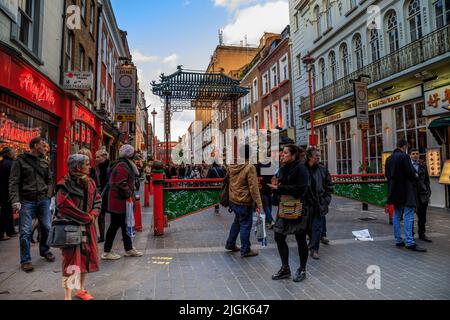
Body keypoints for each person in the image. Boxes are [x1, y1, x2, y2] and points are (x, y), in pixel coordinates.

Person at [56, 154, 101, 300]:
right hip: (72, 228)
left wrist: (93, 213)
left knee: (85, 258)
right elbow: (64, 207)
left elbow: (97, 200)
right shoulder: (64, 185)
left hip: (88, 228)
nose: (89, 166)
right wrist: (87, 217)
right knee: (70, 262)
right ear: (77, 167)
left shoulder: (90, 182)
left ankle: (81, 289)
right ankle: (67, 295)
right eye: (87, 164)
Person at [9, 137, 55, 272]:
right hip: (26, 200)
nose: (45, 147)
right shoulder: (20, 161)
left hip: (43, 199)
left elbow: (50, 180)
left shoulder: (45, 162)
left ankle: (45, 250)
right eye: (42, 144)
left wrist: (48, 194)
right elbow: (14, 181)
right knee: (25, 231)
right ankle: (26, 260)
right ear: (35, 146)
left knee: (46, 227)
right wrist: (15, 200)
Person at [268, 145, 310, 282]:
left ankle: (302, 269)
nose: (282, 154)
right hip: (284, 205)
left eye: (285, 153)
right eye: (282, 152)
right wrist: (276, 185)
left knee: (300, 238)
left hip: (298, 207)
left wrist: (279, 187)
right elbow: (279, 185)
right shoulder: (282, 168)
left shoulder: (301, 168)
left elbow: (300, 189)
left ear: (293, 155)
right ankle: (285, 268)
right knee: (278, 236)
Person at [102, 144, 143, 260]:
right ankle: (107, 251)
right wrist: (129, 193)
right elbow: (121, 183)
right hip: (119, 201)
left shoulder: (124, 164)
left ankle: (128, 248)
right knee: (115, 226)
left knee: (124, 225)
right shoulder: (123, 166)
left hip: (119, 200)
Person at [385, 140, 426, 252]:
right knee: (409, 214)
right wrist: (416, 175)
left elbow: (387, 175)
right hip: (407, 190)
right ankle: (409, 242)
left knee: (397, 215)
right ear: (405, 147)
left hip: (394, 191)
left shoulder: (389, 159)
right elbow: (410, 173)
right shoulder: (404, 157)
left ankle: (398, 240)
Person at [225, 144, 263, 258]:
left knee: (237, 222)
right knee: (245, 225)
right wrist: (259, 202)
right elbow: (253, 187)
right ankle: (245, 249)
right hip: (244, 201)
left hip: (234, 199)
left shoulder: (232, 165)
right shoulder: (249, 167)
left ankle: (230, 243)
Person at [305, 147, 333, 260]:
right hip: (306, 204)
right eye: (316, 156)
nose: (318, 158)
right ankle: (311, 244)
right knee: (307, 227)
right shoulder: (302, 168)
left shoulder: (322, 169)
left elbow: (329, 185)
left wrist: (326, 200)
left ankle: (314, 249)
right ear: (310, 157)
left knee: (317, 227)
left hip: (319, 203)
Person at [410, 148, 432, 242]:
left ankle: (422, 233)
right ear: (410, 155)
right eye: (413, 154)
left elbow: (427, 180)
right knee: (410, 216)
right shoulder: (408, 166)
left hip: (423, 195)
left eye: (417, 153)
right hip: (411, 194)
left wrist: (428, 192)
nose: (415, 155)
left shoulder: (423, 165)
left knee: (422, 216)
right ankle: (410, 234)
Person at [94, 149, 110, 243]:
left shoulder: (107, 168)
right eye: (96, 157)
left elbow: (108, 183)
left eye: (98, 157)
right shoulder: (99, 167)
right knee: (101, 215)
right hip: (101, 194)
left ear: (104, 157)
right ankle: (102, 236)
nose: (96, 158)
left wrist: (102, 193)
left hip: (106, 194)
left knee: (115, 216)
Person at [0, 147, 16, 240]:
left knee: (7, 212)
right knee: (6, 213)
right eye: (13, 152)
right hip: (8, 192)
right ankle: (2, 233)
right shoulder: (11, 164)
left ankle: (10, 231)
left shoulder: (1, 163)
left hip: (2, 191)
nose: (14, 153)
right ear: (9, 154)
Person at [256, 162, 275, 229]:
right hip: (269, 188)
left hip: (261, 188)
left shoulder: (259, 165)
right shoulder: (271, 165)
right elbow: (273, 177)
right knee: (269, 205)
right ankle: (268, 222)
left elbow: (256, 176)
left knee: (265, 206)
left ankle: (271, 221)